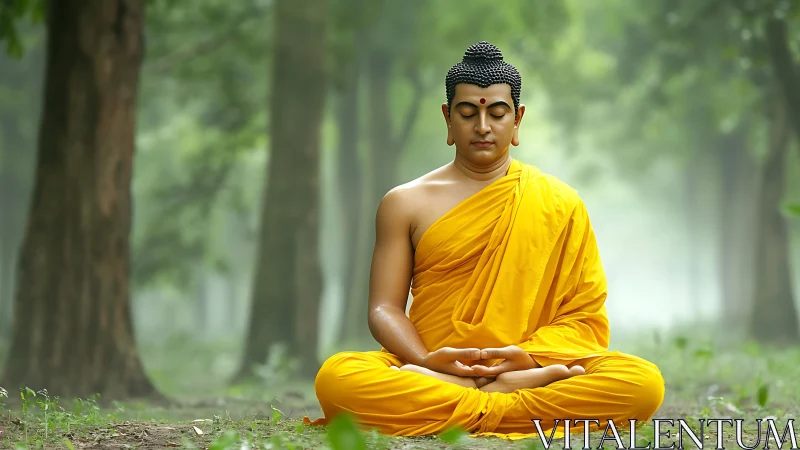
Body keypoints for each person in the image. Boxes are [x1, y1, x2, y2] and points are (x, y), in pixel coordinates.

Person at [304, 41, 664, 440]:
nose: (482, 127)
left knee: (642, 383)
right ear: (447, 117)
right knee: (337, 379)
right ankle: (501, 400)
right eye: (467, 113)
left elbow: (582, 316)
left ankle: (471, 397)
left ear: (517, 119)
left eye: (496, 113)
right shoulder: (405, 202)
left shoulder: (561, 203)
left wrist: (526, 358)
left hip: (524, 365)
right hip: (433, 364)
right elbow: (385, 308)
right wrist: (427, 359)